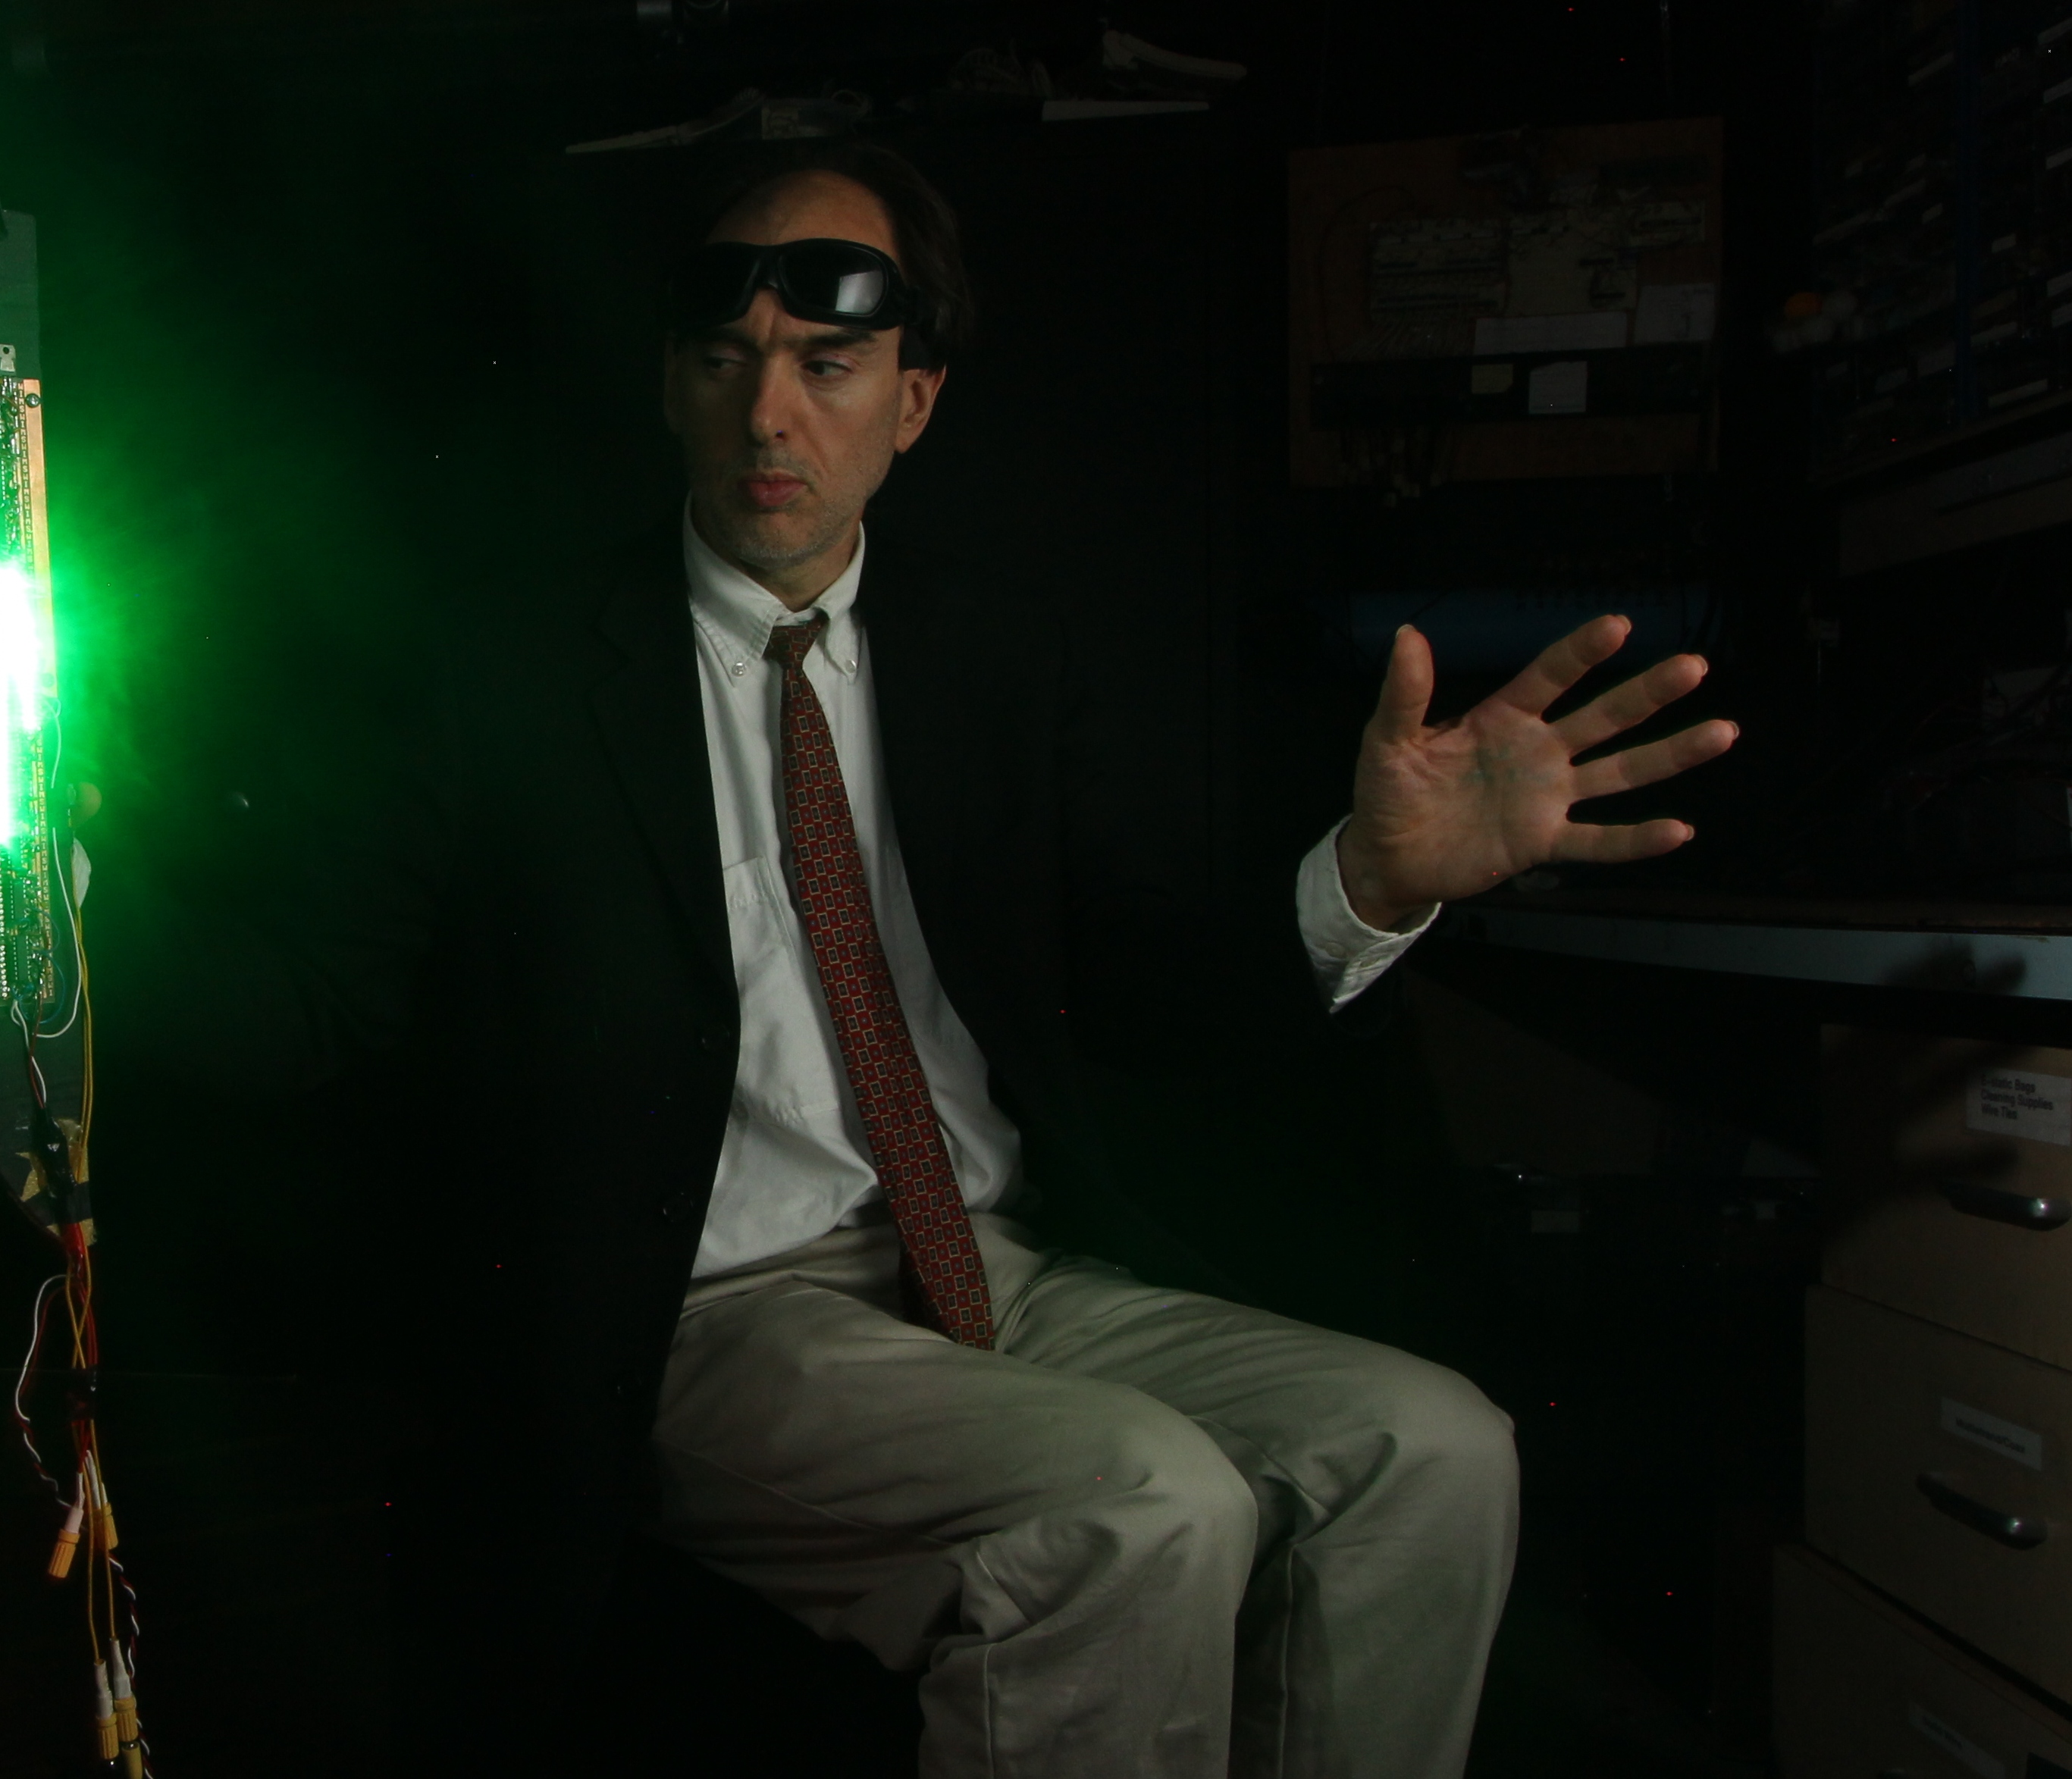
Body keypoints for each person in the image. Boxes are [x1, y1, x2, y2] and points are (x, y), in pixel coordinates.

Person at [99, 138, 1736, 1777]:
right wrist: (79, 884)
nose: (768, 416)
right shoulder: (504, 673)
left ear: (914, 402)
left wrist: (1367, 880)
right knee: (1141, 1504)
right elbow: (318, 997)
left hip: (992, 1265)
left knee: (1431, 1449)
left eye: (826, 365)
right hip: (703, 1310)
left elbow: (1147, 988)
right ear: (671, 385)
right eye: (725, 360)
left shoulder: (995, 651)